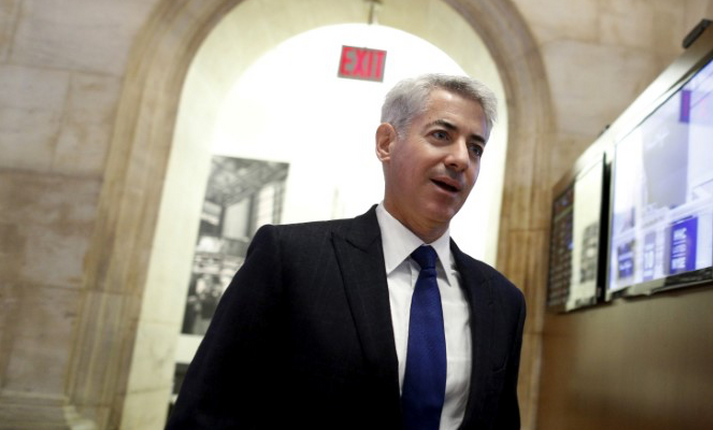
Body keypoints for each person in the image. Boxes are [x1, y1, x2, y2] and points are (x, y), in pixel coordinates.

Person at [166, 74, 526, 430]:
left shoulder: (503, 302)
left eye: (476, 148)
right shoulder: (290, 260)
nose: (461, 158)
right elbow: (207, 413)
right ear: (386, 142)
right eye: (441, 135)